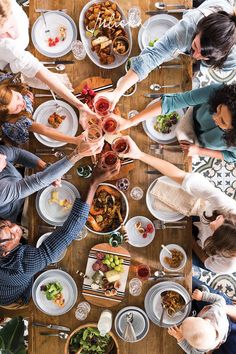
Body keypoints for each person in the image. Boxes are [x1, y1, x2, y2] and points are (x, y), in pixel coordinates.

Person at [0, 160, 120, 308]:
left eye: (7, 224)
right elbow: (68, 233)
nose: (15, 228)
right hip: (12, 296)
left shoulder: (7, 244)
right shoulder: (25, 264)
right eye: (12, 236)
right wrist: (93, 183)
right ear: (4, 253)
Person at [119, 136, 236, 273]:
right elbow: (179, 176)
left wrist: (192, 241)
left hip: (203, 249)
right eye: (222, 218)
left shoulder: (227, 265)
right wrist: (139, 154)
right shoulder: (225, 206)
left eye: (216, 229)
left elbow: (206, 261)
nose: (217, 219)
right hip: (200, 213)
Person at [96, 0, 236, 109]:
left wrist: (203, 64)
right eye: (194, 46)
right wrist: (117, 93)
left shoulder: (231, 59)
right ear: (197, 30)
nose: (194, 56)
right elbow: (154, 55)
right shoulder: (189, 25)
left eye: (204, 56)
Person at [0, 0, 95, 117]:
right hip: (8, 60)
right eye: (3, 34)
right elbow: (44, 75)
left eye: (11, 26)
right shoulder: (8, 46)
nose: (13, 35)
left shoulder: (5, 5)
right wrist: (79, 105)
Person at [112, 83, 236, 162]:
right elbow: (173, 102)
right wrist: (131, 121)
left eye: (223, 122)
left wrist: (199, 151)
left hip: (198, 146)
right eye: (219, 109)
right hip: (190, 119)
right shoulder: (218, 91)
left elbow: (231, 157)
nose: (215, 117)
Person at [0, 136, 103, 222]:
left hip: (21, 178)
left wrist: (45, 167)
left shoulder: (0, 155)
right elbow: (38, 181)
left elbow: (16, 154)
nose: (2, 157)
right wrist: (77, 154)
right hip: (21, 209)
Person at [0, 80, 86, 145]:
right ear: (9, 115)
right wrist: (74, 140)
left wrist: (27, 99)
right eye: (16, 108)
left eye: (18, 97)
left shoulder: (6, 87)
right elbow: (45, 130)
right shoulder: (19, 122)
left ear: (11, 88)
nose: (22, 103)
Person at [168, 289, 236, 354]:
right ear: (206, 320)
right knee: (196, 294)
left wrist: (180, 338)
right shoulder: (216, 310)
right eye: (193, 318)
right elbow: (220, 299)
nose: (180, 326)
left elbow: (192, 352)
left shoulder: (202, 348)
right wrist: (202, 296)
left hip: (220, 336)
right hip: (226, 318)